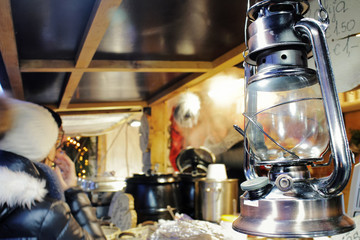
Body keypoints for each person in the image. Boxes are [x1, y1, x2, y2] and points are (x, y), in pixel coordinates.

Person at [0, 97, 106, 239]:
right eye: (54, 142)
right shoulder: (47, 214)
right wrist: (73, 192)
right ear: (41, 151)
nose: (57, 149)